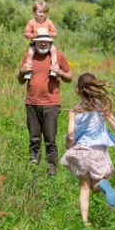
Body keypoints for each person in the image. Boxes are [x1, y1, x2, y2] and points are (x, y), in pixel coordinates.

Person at [60, 73, 115, 227]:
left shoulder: (74, 110)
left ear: (78, 90)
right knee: (97, 185)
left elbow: (71, 135)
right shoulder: (101, 106)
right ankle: (103, 184)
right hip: (98, 152)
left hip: (81, 152)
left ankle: (85, 222)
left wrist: (70, 150)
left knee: (85, 187)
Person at [18, 28, 73, 176]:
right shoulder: (28, 56)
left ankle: (51, 172)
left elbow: (70, 77)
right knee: (34, 139)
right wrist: (22, 72)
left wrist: (59, 71)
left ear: (51, 42)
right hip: (32, 104)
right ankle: (34, 169)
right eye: (40, 41)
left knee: (50, 139)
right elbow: (20, 81)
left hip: (51, 104)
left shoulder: (58, 56)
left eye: (46, 41)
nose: (43, 44)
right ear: (34, 42)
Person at [23, 0, 58, 80]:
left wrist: (51, 34)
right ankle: (28, 70)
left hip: (48, 43)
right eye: (39, 12)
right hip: (35, 43)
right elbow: (26, 33)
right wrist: (32, 35)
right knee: (30, 52)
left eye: (44, 12)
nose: (42, 14)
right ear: (35, 11)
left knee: (53, 50)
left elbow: (55, 32)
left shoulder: (49, 22)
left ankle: (54, 68)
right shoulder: (31, 22)